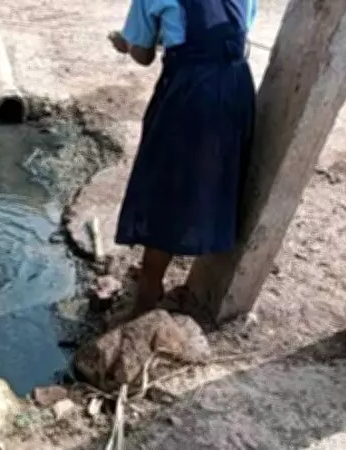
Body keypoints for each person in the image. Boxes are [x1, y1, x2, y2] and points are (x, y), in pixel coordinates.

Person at [108, 0, 257, 316]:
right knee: (216, 175)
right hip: (236, 87)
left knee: (166, 186)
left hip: (189, 93)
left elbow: (144, 54)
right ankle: (202, 240)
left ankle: (149, 291)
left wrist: (125, 42)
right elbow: (238, 31)